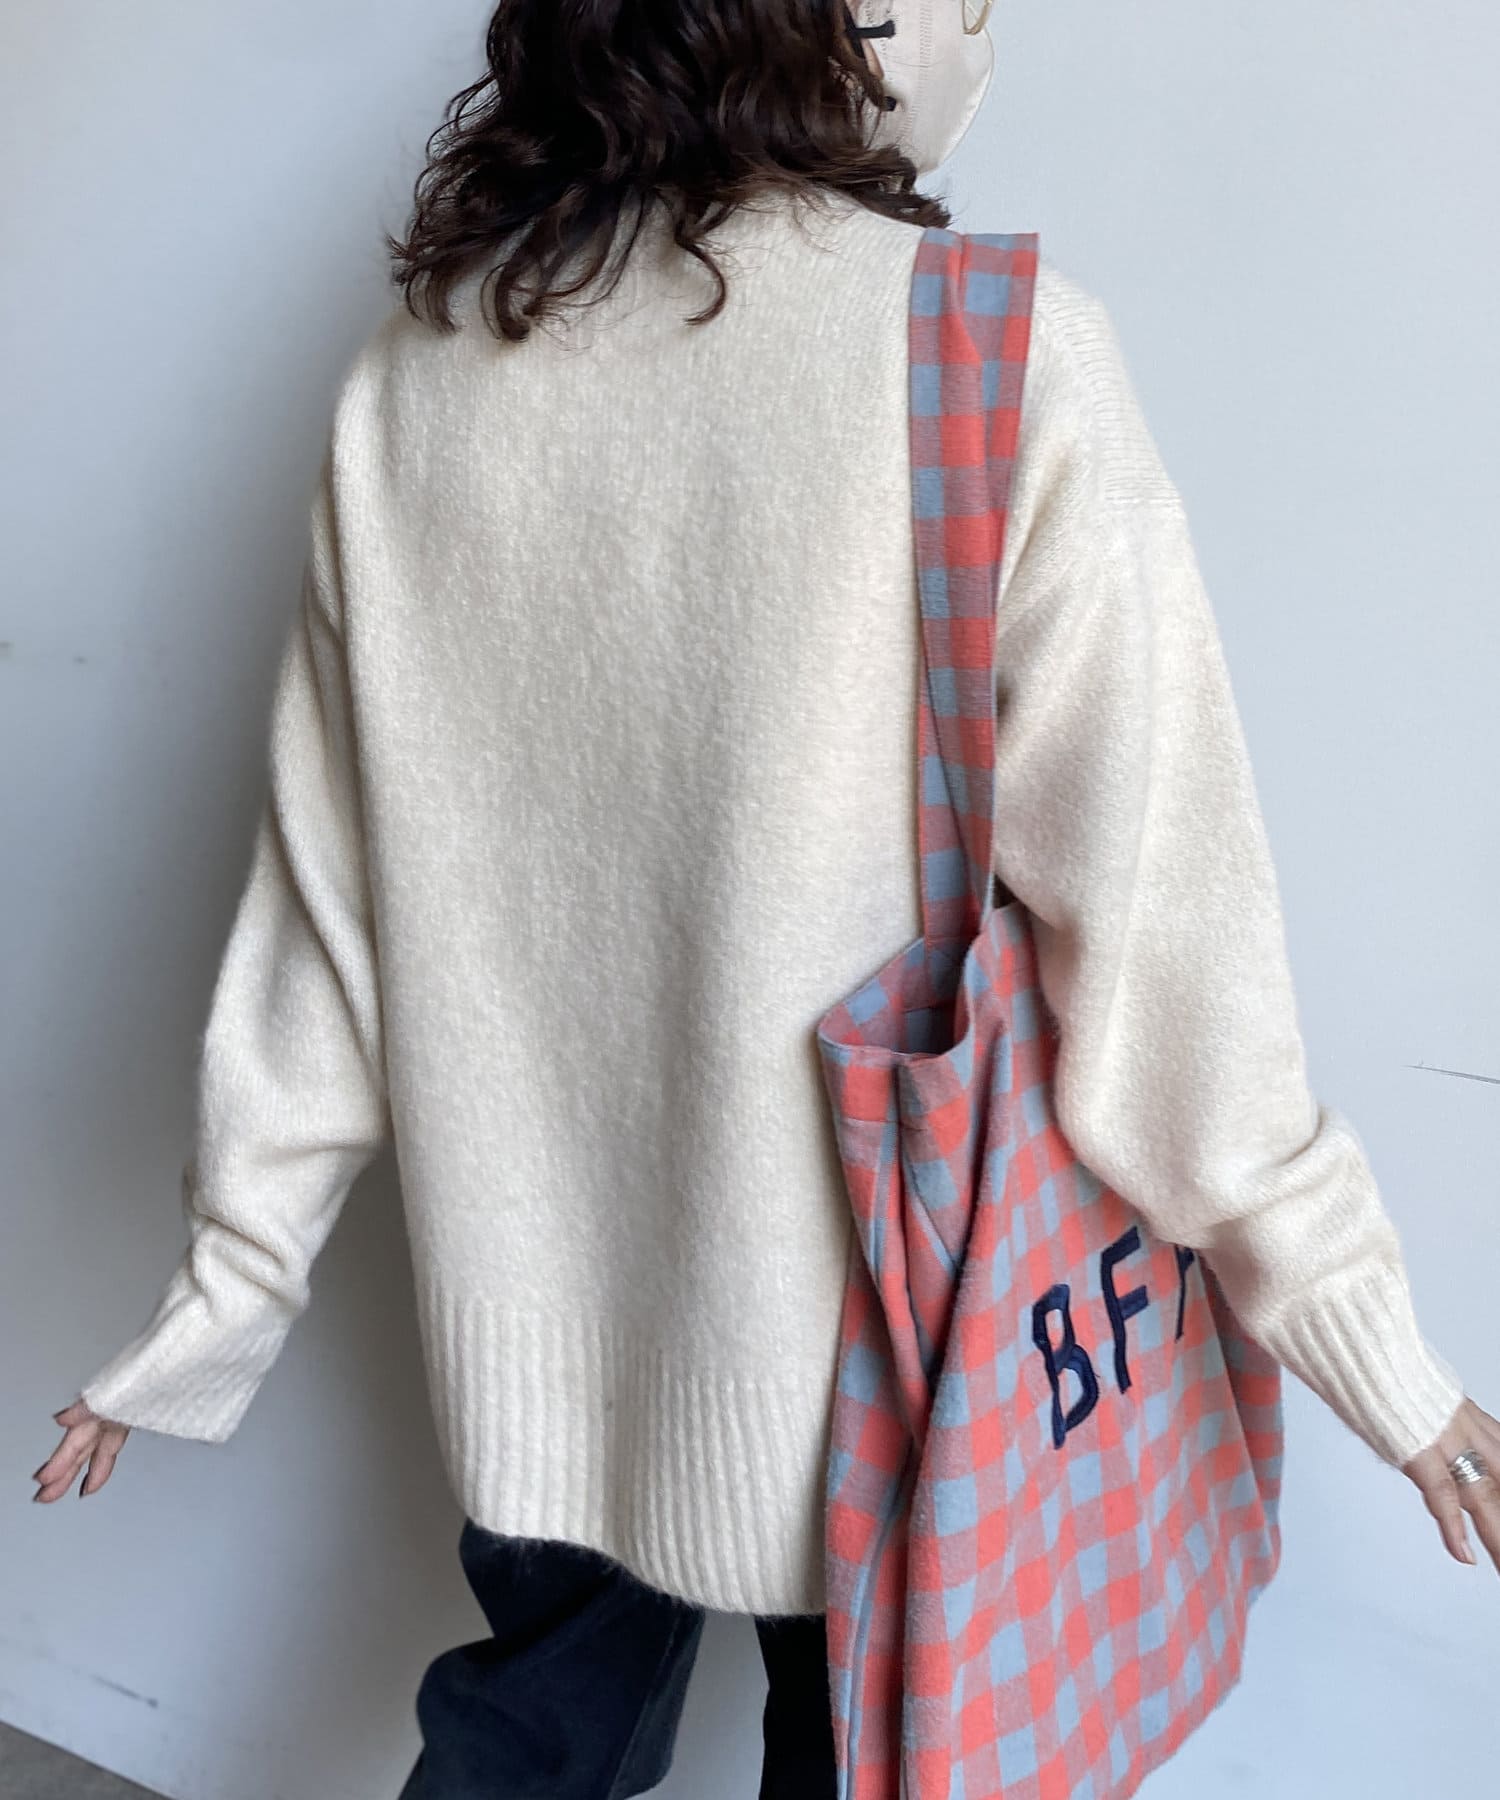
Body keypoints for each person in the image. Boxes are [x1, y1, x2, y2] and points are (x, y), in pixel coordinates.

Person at [32, 0, 1500, 1794]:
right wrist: (1373, 1345)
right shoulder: (996, 352)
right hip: (873, 1361)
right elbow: (1165, 940)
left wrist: (225, 1294)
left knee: (530, 1737)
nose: (979, 29)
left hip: (532, 1344)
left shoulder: (420, 374)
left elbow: (317, 918)